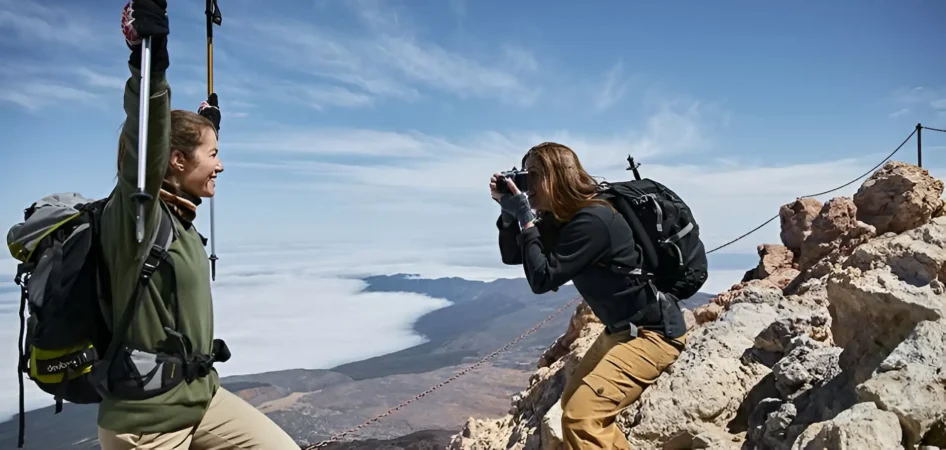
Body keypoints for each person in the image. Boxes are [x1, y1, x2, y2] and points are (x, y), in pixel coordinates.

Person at [95, 1, 299, 448]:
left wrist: (208, 128)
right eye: (213, 156)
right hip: (147, 422)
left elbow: (179, 151)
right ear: (175, 160)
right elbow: (146, 128)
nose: (221, 166)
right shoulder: (138, 215)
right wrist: (150, 56)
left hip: (200, 399)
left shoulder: (178, 217)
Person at [490, 142, 689, 450]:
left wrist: (525, 218)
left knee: (582, 419)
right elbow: (515, 254)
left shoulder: (592, 221)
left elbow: (542, 278)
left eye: (532, 176)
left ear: (555, 177)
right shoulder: (567, 219)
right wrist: (508, 215)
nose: (528, 187)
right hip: (621, 331)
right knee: (572, 403)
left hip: (653, 335)